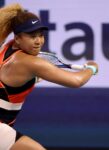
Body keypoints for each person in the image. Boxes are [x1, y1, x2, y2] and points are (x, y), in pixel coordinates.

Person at [0, 3, 98, 150]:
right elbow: (76, 81)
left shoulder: (7, 47)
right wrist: (91, 68)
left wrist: (35, 77)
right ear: (18, 38)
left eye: (40, 35)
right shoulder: (30, 62)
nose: (38, 41)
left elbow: (13, 82)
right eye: (32, 36)